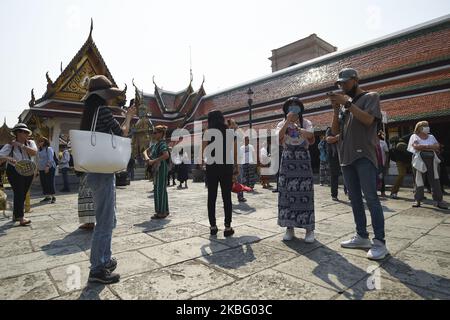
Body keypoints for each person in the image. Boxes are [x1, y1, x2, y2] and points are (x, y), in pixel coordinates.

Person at [79, 75, 136, 284]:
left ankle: (105, 258)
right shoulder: (102, 111)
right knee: (104, 221)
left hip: (96, 170)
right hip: (102, 172)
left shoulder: (90, 112)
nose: (112, 99)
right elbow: (121, 134)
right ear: (103, 95)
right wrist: (128, 116)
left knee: (108, 218)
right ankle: (97, 269)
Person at [330, 68, 388, 260]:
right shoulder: (346, 104)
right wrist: (336, 109)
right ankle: (361, 235)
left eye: (345, 82)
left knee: (371, 198)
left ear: (355, 80)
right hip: (345, 157)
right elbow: (334, 130)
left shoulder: (371, 97)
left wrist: (347, 103)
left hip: (364, 155)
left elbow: (368, 120)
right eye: (340, 83)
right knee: (354, 199)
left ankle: (379, 241)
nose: (342, 86)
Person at [276, 97, 316, 243]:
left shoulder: (306, 123)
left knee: (305, 193)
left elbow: (311, 136)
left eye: (296, 107)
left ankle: (309, 229)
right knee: (286, 193)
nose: (293, 109)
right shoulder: (281, 124)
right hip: (287, 159)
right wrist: (287, 122)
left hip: (302, 159)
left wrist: (298, 127)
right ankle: (289, 227)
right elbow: (278, 138)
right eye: (290, 107)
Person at [202, 110, 238, 237]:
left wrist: (206, 165)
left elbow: (204, 152)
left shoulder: (207, 132)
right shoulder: (229, 132)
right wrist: (235, 168)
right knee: (226, 197)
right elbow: (234, 152)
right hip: (226, 168)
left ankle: (213, 226)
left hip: (212, 167)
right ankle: (227, 227)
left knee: (211, 198)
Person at [0, 123, 37, 225]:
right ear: (16, 133)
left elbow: (34, 153)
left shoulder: (30, 143)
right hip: (14, 171)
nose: (24, 133)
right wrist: (7, 158)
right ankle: (20, 217)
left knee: (23, 193)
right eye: (21, 131)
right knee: (19, 192)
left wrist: (21, 145)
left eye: (26, 132)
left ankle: (16, 214)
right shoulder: (9, 145)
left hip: (29, 170)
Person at [407, 121, 448, 209]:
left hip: (432, 161)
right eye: (425, 126)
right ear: (419, 128)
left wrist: (423, 147)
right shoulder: (414, 136)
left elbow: (437, 146)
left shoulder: (431, 136)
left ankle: (438, 200)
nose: (427, 127)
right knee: (419, 180)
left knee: (435, 180)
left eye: (427, 126)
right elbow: (416, 146)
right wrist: (430, 147)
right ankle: (418, 200)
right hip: (419, 160)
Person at [143, 125, 170, 219]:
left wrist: (153, 161)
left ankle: (161, 212)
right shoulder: (155, 144)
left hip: (161, 168)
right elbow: (145, 151)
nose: (153, 134)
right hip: (157, 168)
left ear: (161, 133)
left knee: (159, 190)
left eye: (155, 132)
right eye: (153, 132)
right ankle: (164, 210)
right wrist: (147, 158)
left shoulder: (162, 143)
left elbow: (166, 155)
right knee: (160, 189)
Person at [325, 127, 347, 201]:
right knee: (334, 175)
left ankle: (348, 192)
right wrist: (337, 137)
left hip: (345, 154)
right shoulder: (330, 129)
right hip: (334, 156)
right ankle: (334, 194)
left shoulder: (345, 126)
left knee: (348, 174)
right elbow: (328, 139)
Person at [237, 136, 258, 202]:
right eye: (246, 140)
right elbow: (240, 156)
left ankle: (251, 187)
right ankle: (246, 187)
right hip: (244, 163)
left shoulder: (251, 146)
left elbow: (254, 154)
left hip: (250, 162)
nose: (247, 141)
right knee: (245, 176)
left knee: (251, 175)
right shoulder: (241, 147)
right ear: (244, 141)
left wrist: (255, 161)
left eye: (248, 140)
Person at [37, 137, 57, 203]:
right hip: (41, 168)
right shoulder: (39, 150)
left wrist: (47, 166)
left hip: (49, 167)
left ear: (45, 142)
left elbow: (51, 159)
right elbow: (38, 160)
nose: (40, 143)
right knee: (44, 182)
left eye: (41, 141)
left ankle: (53, 196)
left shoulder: (48, 149)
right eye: (39, 141)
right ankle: (47, 196)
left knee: (50, 181)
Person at [376, 131, 389, 197]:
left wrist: (386, 163)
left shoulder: (383, 143)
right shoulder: (371, 143)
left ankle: (382, 192)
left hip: (381, 163)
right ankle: (374, 191)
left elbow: (387, 153)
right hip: (373, 163)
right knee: (373, 178)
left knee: (381, 178)